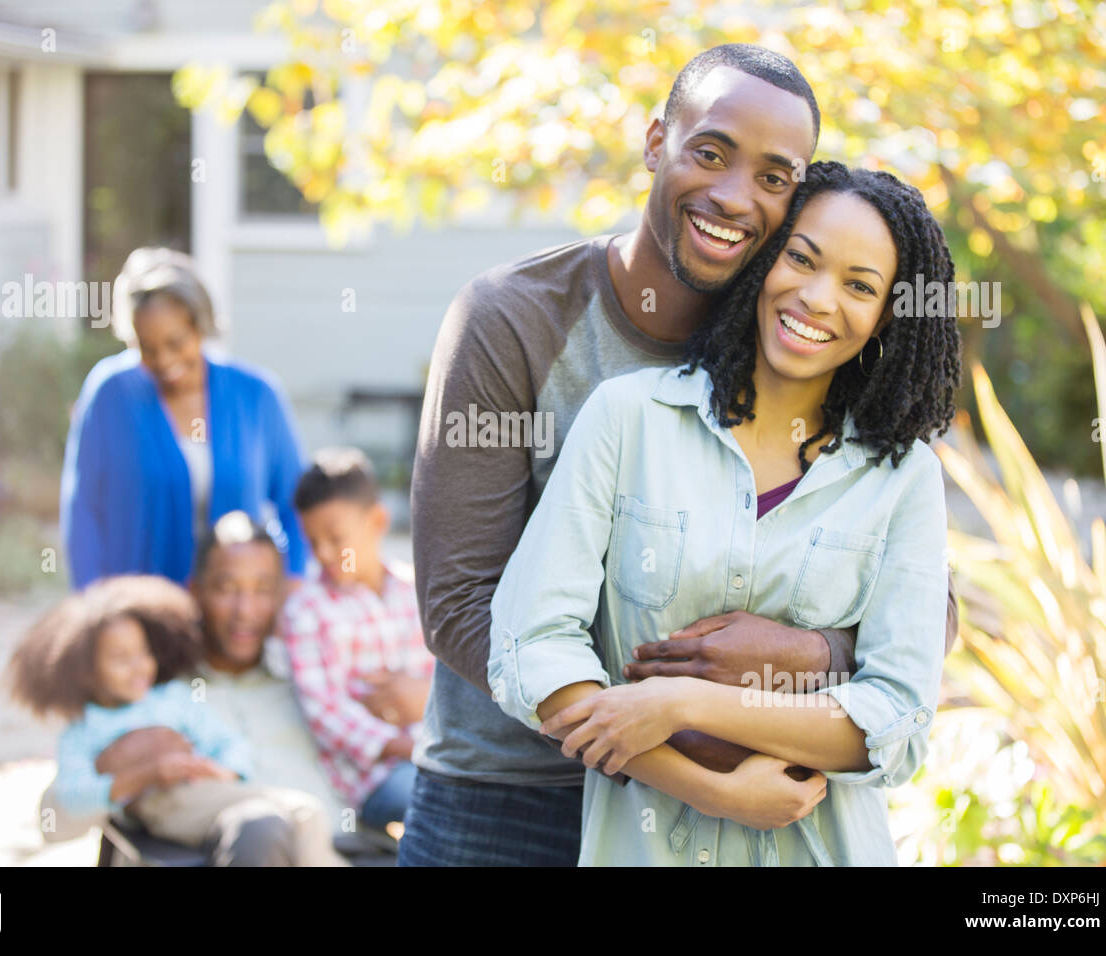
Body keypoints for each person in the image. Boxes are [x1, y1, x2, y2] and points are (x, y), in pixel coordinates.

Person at [404, 43, 959, 866]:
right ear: (656, 141)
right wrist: (670, 748)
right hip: (509, 795)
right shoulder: (515, 320)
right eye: (709, 153)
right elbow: (460, 604)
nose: (734, 196)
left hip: (748, 808)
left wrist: (806, 659)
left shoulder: (790, 323)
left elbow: (918, 624)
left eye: (773, 177)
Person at [38, 512, 349, 864]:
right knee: (261, 829)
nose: (245, 611)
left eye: (262, 590)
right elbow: (55, 817)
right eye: (227, 588)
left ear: (281, 596)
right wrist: (125, 771)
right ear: (196, 592)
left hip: (344, 848)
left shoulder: (313, 684)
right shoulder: (157, 699)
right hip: (224, 848)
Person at [61, 247, 309, 591]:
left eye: (176, 343)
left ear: (201, 326)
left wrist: (290, 582)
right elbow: (84, 508)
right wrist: (94, 599)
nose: (163, 361)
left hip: (232, 615)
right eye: (146, 347)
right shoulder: (111, 394)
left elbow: (296, 502)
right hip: (137, 607)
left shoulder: (256, 396)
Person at [276, 448, 435, 831]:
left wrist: (423, 700)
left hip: (440, 753)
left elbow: (448, 681)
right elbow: (327, 712)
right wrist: (410, 748)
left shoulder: (417, 590)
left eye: (336, 538)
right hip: (375, 779)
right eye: (313, 542)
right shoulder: (307, 611)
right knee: (439, 802)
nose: (325, 554)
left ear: (378, 521)